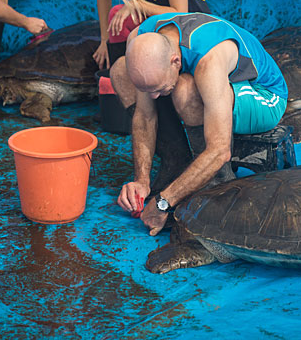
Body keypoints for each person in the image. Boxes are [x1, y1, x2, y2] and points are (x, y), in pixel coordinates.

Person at [111, 12, 288, 235]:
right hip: (212, 85)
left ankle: (218, 182)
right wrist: (141, 181)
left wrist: (164, 202)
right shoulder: (140, 38)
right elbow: (145, 115)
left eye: (158, 89)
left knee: (186, 90)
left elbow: (219, 150)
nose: (155, 98)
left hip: (265, 96)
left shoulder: (209, 61)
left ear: (175, 61)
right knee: (120, 70)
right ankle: (175, 160)